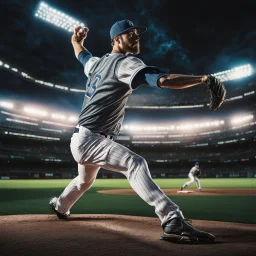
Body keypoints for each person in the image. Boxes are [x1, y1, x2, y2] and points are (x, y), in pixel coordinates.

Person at [49, 19, 217, 242]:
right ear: (117, 40)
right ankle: (172, 219)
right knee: (135, 163)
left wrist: (75, 42)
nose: (137, 37)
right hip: (91, 139)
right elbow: (163, 80)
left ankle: (60, 206)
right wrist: (204, 79)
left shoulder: (97, 64)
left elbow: (83, 56)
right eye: (131, 34)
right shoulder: (125, 64)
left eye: (137, 34)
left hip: (83, 138)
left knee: (84, 182)